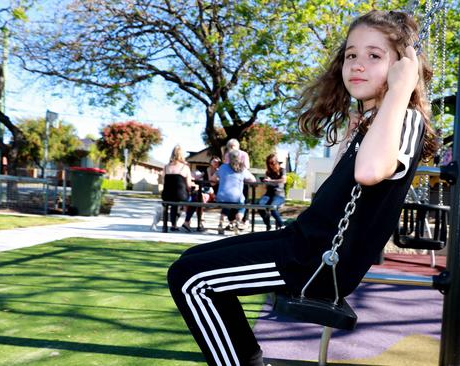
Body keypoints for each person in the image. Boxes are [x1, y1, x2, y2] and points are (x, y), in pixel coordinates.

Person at [167, 10, 436, 366]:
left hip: (317, 261)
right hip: (303, 240)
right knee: (191, 262)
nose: (357, 64)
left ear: (404, 66)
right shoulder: (375, 119)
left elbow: (370, 172)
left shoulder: (404, 117)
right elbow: (338, 195)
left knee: (191, 279)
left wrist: (402, 89)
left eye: (375, 55)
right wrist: (356, 131)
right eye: (351, 55)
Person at [215, 149, 256, 231]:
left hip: (221, 197)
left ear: (229, 158)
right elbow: (253, 180)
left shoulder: (223, 167)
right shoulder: (242, 168)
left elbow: (213, 178)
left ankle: (220, 224)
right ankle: (237, 223)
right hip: (236, 198)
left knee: (226, 204)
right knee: (242, 206)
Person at [161, 145, 194, 231]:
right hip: (180, 196)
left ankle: (173, 225)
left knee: (174, 202)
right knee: (196, 199)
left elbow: (163, 182)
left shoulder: (166, 167)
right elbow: (189, 185)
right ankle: (187, 221)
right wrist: (191, 190)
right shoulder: (185, 167)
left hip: (167, 195)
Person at [258, 153, 286, 231]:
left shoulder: (282, 170)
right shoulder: (268, 172)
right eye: (269, 163)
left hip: (279, 195)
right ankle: (268, 224)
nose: (271, 165)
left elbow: (284, 180)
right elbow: (266, 184)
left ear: (276, 162)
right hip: (269, 194)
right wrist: (265, 180)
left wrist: (271, 180)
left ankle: (282, 226)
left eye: (272, 163)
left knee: (272, 207)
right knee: (259, 206)